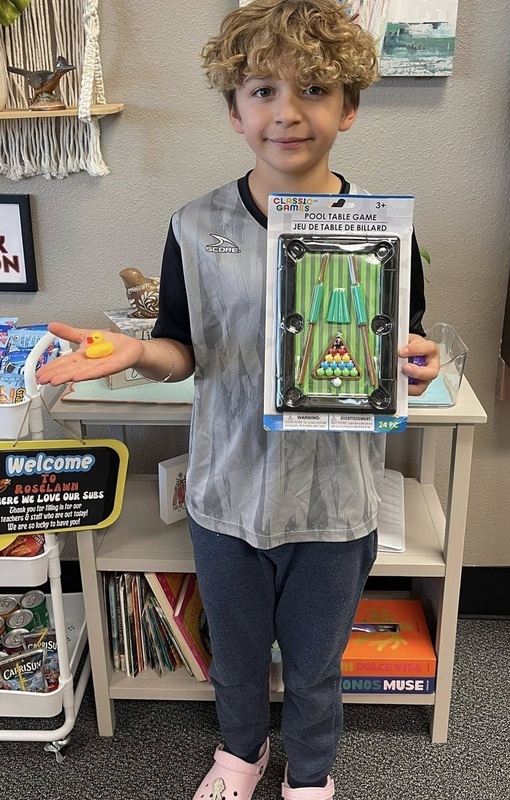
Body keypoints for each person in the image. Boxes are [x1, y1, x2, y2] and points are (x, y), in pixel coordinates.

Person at [38, 1, 440, 798]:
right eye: (262, 90)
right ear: (233, 110)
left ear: (350, 108)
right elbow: (182, 346)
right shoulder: (194, 227)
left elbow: (402, 351)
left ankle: (313, 770)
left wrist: (416, 368)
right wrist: (137, 353)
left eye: (315, 89)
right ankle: (240, 753)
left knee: (319, 658)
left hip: (335, 501)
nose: (286, 112)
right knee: (238, 647)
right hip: (227, 494)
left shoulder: (380, 236)